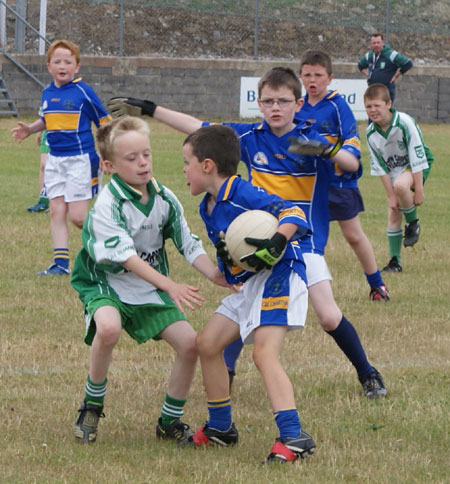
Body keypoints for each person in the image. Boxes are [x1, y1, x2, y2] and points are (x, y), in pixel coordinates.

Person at [107, 66, 387, 400]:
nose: (275, 108)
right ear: (259, 103)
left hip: (302, 242)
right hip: (256, 242)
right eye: (268, 101)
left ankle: (368, 373)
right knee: (243, 304)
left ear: (298, 104)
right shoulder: (251, 137)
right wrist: (152, 110)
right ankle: (224, 378)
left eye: (283, 101)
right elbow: (201, 130)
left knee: (327, 316)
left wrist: (322, 149)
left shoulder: (311, 139)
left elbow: (352, 164)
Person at [71, 116, 231, 444]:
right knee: (109, 328)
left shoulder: (164, 198)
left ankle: (169, 422)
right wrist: (170, 285)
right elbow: (126, 257)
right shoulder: (107, 205)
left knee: (190, 345)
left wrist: (215, 274)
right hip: (106, 282)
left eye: (146, 154)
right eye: (131, 159)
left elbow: (188, 243)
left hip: (147, 285)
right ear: (110, 165)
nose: (143, 163)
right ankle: (92, 404)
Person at [181, 124, 315, 463]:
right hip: (254, 281)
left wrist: (277, 241)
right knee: (207, 344)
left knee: (263, 353)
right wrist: (229, 264)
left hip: (282, 273)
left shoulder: (243, 193)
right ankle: (221, 428)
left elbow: (294, 213)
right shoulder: (207, 208)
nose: (184, 170)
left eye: (187, 163)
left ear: (207, 166)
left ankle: (293, 436)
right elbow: (234, 270)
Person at [11, 39, 111, 275]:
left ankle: (112, 247)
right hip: (55, 160)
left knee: (77, 217)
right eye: (57, 61)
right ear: (49, 66)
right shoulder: (47, 92)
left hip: (81, 160)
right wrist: (31, 130)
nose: (62, 65)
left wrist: (110, 154)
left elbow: (105, 123)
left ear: (77, 66)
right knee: (56, 210)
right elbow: (49, 120)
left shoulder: (84, 92)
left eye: (68, 61)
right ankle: (60, 264)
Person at [297, 50, 389, 302]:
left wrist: (340, 155)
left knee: (353, 235)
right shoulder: (297, 107)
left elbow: (351, 138)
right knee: (308, 237)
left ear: (330, 78)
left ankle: (377, 284)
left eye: (318, 75)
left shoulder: (338, 106)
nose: (312, 80)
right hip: (308, 185)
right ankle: (304, 291)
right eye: (307, 75)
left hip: (338, 183)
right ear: (300, 77)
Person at [364, 84, 433, 272]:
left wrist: (419, 189)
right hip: (395, 171)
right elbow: (380, 168)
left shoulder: (404, 122)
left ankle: (412, 222)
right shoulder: (370, 133)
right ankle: (395, 262)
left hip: (416, 164)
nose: (373, 110)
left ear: (388, 104)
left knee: (402, 186)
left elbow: (417, 155)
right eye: (368, 106)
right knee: (393, 212)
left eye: (377, 105)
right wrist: (391, 197)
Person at [358, 33, 413, 104]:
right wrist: (368, 74)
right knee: (373, 112)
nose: (376, 45)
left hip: (386, 90)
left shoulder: (391, 54)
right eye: (374, 43)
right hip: (372, 89)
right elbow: (360, 65)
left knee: (385, 112)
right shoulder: (369, 55)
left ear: (383, 43)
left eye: (378, 42)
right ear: (370, 44)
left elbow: (408, 64)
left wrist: (396, 75)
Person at [27, 128, 50, 213]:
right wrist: (39, 131)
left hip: (65, 131)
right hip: (48, 131)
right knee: (43, 165)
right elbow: (43, 115)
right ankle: (43, 202)